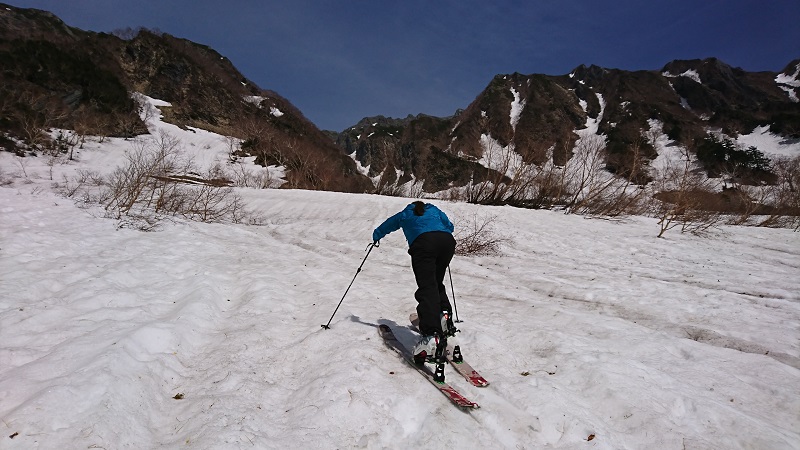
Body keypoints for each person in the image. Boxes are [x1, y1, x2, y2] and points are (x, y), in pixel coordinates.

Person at [372, 201, 458, 363]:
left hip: (424, 245)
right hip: (447, 243)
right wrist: (443, 230)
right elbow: (449, 225)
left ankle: (431, 335)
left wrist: (377, 235)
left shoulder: (406, 213)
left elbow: (388, 225)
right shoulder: (434, 210)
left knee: (427, 287)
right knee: (436, 282)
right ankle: (444, 315)